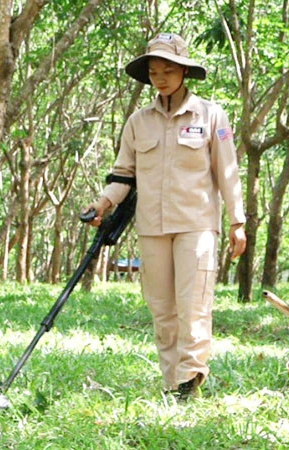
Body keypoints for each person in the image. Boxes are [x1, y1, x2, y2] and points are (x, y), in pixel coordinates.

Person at [83, 33, 246, 400]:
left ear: (184, 71)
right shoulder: (138, 123)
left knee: (193, 306)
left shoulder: (211, 115)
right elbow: (123, 173)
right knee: (162, 309)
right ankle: (172, 383)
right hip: (152, 228)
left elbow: (228, 170)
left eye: (169, 69)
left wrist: (238, 222)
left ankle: (191, 379)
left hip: (197, 226)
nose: (161, 77)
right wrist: (103, 203)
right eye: (154, 71)